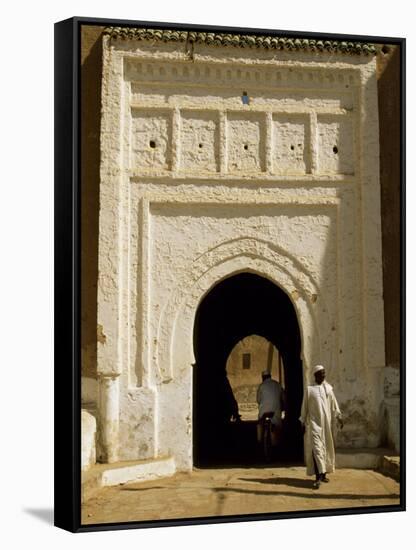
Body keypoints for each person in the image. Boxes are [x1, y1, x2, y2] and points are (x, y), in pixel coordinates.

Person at [299, 364, 343, 488]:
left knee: (325, 449)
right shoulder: (309, 390)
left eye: (324, 373)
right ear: (316, 375)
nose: (324, 375)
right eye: (321, 373)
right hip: (315, 425)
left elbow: (334, 404)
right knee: (317, 449)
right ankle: (318, 477)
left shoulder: (328, 388)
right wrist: (302, 422)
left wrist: (338, 416)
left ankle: (323, 474)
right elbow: (305, 408)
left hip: (327, 425)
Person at [256, 370, 286, 445]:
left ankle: (259, 440)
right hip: (275, 413)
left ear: (263, 377)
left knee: (260, 423)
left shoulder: (261, 386)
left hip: (264, 412)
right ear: (270, 376)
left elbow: (258, 400)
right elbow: (284, 399)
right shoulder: (277, 385)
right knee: (277, 427)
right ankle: (277, 444)